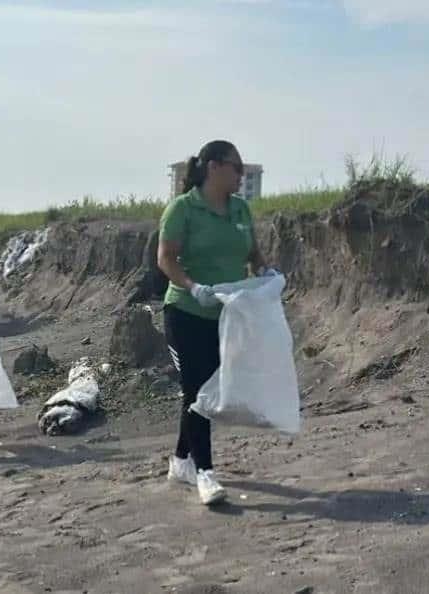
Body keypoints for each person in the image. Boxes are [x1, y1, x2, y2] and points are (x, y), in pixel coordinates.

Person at [157, 140, 275, 506]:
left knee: (205, 387)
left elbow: (252, 253)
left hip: (225, 316)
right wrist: (192, 286)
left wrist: (265, 271)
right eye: (237, 168)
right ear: (214, 167)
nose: (241, 175)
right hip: (186, 312)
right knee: (196, 391)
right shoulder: (183, 209)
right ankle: (205, 473)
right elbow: (166, 258)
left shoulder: (240, 210)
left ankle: (180, 461)